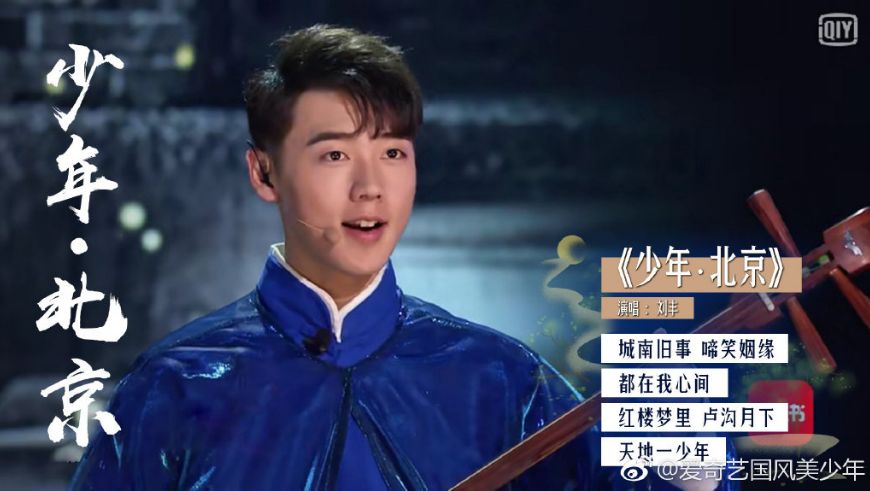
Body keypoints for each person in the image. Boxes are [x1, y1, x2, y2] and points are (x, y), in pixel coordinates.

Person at [70, 25, 727, 490]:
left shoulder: (500, 378)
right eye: (334, 154)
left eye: (392, 153)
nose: (371, 187)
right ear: (264, 172)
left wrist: (689, 466)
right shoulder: (178, 383)